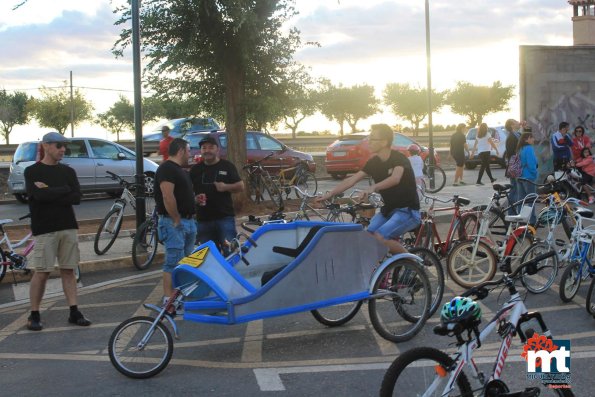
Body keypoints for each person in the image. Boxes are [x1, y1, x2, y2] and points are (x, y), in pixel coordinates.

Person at [316, 124, 420, 254]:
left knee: (381, 236)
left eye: (372, 139)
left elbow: (395, 178)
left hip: (407, 211)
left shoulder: (399, 158)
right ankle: (386, 268)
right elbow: (351, 180)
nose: (368, 142)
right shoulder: (373, 162)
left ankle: (414, 265)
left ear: (384, 142)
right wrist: (330, 194)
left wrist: (373, 188)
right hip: (388, 210)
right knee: (368, 236)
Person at [24, 132, 91, 331]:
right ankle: (34, 314)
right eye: (59, 145)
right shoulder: (32, 171)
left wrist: (50, 191)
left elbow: (77, 197)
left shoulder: (68, 172)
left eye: (64, 146)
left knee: (69, 270)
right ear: (46, 146)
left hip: (68, 226)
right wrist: (63, 190)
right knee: (42, 272)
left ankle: (74, 311)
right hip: (45, 228)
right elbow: (38, 196)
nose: (63, 149)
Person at [154, 138, 197, 301]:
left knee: (186, 261)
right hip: (174, 223)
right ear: (180, 151)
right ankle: (168, 298)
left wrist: (194, 201)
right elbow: (167, 195)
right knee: (173, 262)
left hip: (188, 221)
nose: (190, 154)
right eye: (188, 150)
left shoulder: (180, 171)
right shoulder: (167, 169)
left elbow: (181, 195)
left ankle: (181, 295)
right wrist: (176, 218)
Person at [189, 136, 244, 256]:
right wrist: (195, 199)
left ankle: (230, 275)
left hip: (224, 218)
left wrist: (225, 187)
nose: (207, 150)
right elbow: (188, 192)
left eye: (210, 147)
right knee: (208, 256)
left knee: (231, 254)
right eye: (204, 148)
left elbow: (241, 186)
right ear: (201, 151)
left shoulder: (227, 166)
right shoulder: (195, 170)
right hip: (203, 220)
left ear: (217, 149)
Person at [517, 131, 538, 224]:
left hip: (519, 176)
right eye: (531, 137)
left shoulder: (520, 148)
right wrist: (534, 174)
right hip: (528, 177)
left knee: (520, 200)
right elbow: (531, 164)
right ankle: (532, 221)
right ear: (527, 139)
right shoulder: (529, 148)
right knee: (531, 200)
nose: (533, 139)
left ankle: (519, 220)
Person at [504, 119, 521, 211]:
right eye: (515, 122)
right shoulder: (511, 137)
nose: (518, 123)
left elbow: (525, 138)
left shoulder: (517, 134)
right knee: (514, 190)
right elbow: (510, 152)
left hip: (515, 165)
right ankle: (511, 213)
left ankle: (513, 213)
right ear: (511, 125)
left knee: (516, 190)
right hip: (514, 166)